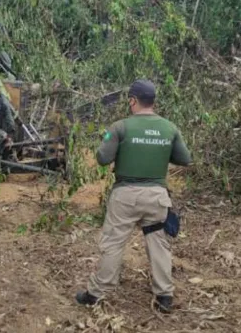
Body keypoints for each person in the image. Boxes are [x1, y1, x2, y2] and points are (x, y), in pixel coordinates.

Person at [75, 79, 192, 313]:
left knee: (113, 242)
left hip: (125, 196)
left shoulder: (119, 127)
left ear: (132, 101)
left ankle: (97, 293)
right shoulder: (170, 128)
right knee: (158, 244)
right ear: (154, 101)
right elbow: (185, 159)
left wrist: (108, 138)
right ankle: (164, 295)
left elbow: (102, 158)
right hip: (157, 197)